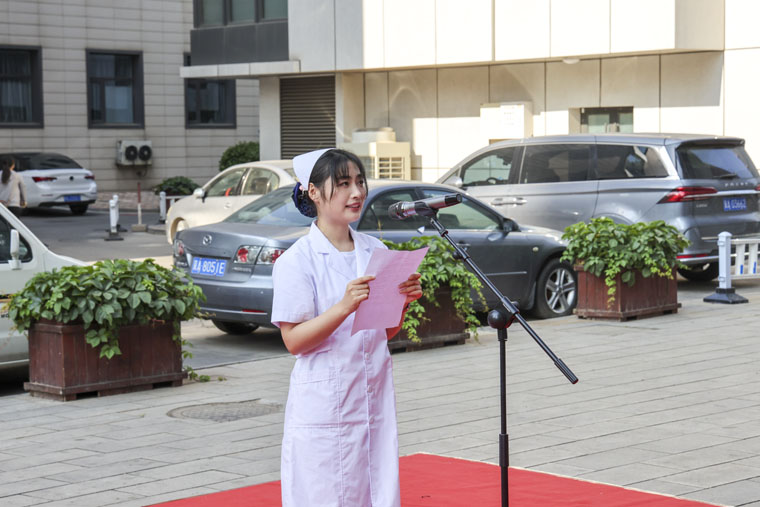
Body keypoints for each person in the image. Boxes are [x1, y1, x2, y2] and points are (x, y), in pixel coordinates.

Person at [271, 148, 422, 506]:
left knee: (375, 490)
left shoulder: (374, 250)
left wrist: (402, 302)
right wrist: (343, 307)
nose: (356, 192)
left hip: (372, 398)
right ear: (313, 192)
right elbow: (293, 341)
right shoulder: (297, 261)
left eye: (359, 182)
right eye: (342, 184)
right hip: (324, 404)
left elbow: (382, 332)